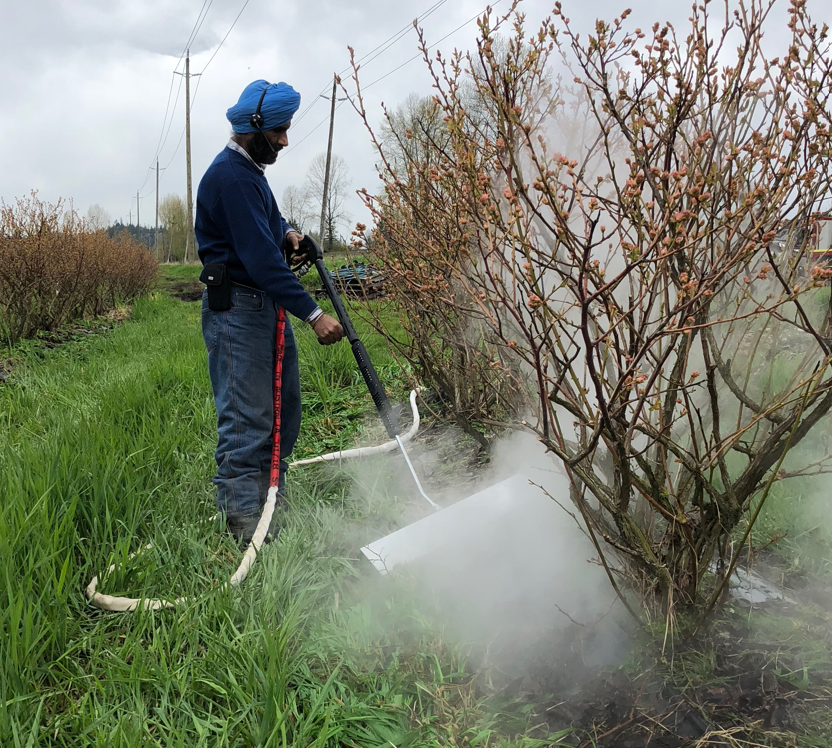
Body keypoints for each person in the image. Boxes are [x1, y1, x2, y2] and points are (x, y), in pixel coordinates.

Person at [195, 79, 344, 544]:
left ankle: (267, 499)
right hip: (237, 309)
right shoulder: (231, 177)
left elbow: (269, 224)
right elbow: (259, 260)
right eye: (279, 130)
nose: (284, 140)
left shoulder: (249, 174)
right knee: (247, 418)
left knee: (286, 410)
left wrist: (289, 233)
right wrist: (314, 313)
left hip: (259, 307)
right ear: (254, 126)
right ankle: (244, 526)